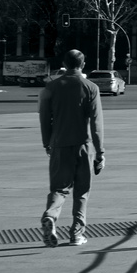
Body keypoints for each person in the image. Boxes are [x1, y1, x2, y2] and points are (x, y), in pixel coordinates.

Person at [38, 49, 104, 247]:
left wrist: (47, 142)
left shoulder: (51, 87)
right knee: (82, 192)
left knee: (59, 189)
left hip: (59, 145)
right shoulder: (90, 87)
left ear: (64, 64)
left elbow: (44, 119)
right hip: (83, 145)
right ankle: (77, 234)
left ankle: (50, 215)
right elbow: (96, 123)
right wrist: (100, 153)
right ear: (82, 65)